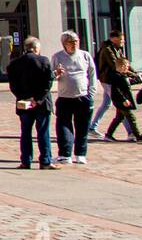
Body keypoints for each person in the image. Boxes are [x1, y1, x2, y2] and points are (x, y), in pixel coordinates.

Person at [7, 37, 59, 169]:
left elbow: (13, 86)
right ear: (36, 48)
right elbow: (48, 83)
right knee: (43, 132)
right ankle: (45, 161)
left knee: (25, 132)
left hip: (24, 103)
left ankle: (26, 160)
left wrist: (25, 98)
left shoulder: (14, 64)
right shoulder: (43, 61)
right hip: (41, 103)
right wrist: (38, 99)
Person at [51, 30, 98, 165]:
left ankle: (80, 154)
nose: (74, 44)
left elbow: (92, 73)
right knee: (64, 125)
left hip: (83, 96)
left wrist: (91, 92)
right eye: (71, 42)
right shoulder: (57, 57)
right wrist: (56, 73)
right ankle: (65, 154)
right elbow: (51, 75)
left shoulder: (85, 55)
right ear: (64, 44)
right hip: (65, 96)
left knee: (82, 126)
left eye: (76, 41)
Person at [90, 29, 136, 139]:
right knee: (121, 105)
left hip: (112, 80)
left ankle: (92, 128)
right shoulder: (107, 49)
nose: (123, 42)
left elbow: (125, 63)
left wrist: (135, 73)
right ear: (113, 39)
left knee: (107, 104)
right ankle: (131, 132)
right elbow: (116, 65)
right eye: (121, 39)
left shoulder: (117, 49)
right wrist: (133, 75)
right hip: (108, 80)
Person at [103, 56, 142, 142]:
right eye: (127, 66)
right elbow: (116, 91)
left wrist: (140, 79)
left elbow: (128, 82)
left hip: (122, 101)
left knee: (119, 118)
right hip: (121, 102)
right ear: (122, 66)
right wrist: (123, 100)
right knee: (131, 118)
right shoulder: (116, 76)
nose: (128, 68)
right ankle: (138, 136)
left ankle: (108, 135)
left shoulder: (121, 75)